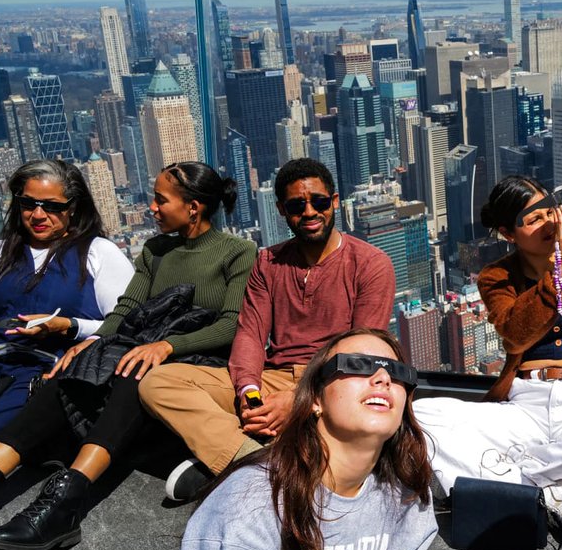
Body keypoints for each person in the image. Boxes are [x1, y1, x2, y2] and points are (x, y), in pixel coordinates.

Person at [161, 327, 526, 550]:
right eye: (358, 365)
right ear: (315, 398)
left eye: (397, 373)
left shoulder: (404, 492)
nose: (382, 378)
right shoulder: (249, 512)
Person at [0, 161, 255, 550]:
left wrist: (168, 347)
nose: (152, 208)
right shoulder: (156, 250)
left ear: (193, 207)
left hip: (200, 361)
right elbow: (125, 310)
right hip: (148, 350)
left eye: (160, 200)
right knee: (71, 367)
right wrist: (90, 341)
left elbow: (232, 324)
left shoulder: (238, 252)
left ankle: (66, 501)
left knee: (135, 373)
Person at [140, 158, 396, 501]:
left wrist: (298, 399)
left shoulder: (371, 265)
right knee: (158, 383)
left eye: (319, 202)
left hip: (335, 382)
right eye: (296, 205)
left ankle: (234, 452)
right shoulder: (268, 262)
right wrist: (250, 392)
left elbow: (360, 352)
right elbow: (249, 333)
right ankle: (256, 461)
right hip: (273, 378)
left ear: (335, 202)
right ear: (281, 210)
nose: (309, 212)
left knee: (347, 417)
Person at [412, 175, 562, 539]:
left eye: (548, 211)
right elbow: (515, 333)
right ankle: (549, 480)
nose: (549, 222)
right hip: (526, 401)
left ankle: (527, 480)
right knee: (422, 415)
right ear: (509, 234)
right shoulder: (497, 276)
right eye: (532, 219)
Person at [0, 160, 134, 458]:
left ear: (73, 207)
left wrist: (70, 326)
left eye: (52, 206)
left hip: (45, 376)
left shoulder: (99, 253)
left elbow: (127, 327)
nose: (38, 214)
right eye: (28, 203)